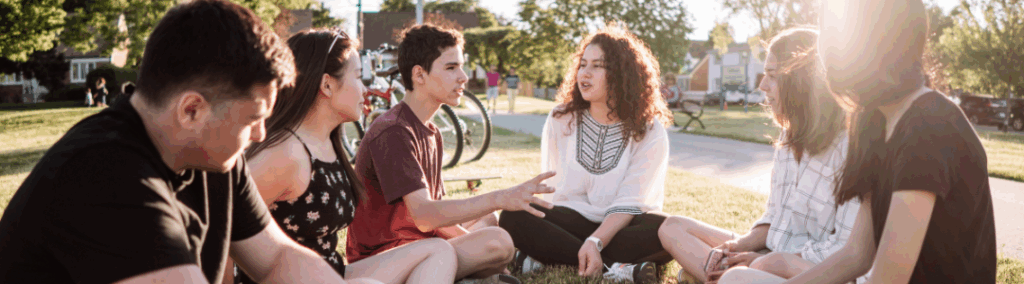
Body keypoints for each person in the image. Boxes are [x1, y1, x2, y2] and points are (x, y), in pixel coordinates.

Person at [0, 1, 382, 283]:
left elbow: (277, 258)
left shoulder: (211, 155)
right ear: (191, 111)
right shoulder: (107, 175)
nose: (260, 135)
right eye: (252, 119)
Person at [719, 0, 997, 283]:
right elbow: (857, 255)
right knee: (739, 278)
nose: (822, 52)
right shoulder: (870, 124)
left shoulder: (927, 127)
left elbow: (890, 278)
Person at [225, 29, 457, 284]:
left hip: (331, 274)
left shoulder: (326, 143)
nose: (366, 89)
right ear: (326, 85)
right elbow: (222, 227)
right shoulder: (287, 154)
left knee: (439, 250)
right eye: (358, 77)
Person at [344, 23, 556, 284]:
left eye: (461, 66)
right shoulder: (393, 131)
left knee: (489, 223)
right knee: (497, 243)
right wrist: (500, 197)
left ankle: (473, 274)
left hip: (423, 244)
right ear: (419, 75)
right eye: (451, 67)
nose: (463, 77)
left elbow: (438, 218)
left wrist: (478, 243)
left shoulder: (432, 132)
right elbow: (425, 216)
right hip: (385, 257)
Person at [657, 28, 860, 284]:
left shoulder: (850, 147)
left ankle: (715, 275)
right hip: (770, 251)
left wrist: (765, 262)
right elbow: (774, 217)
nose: (762, 85)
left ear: (802, 81)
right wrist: (737, 246)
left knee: (737, 277)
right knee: (672, 227)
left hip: (809, 270)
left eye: (772, 76)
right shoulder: (788, 137)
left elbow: (844, 251)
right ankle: (720, 273)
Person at [497, 25, 673, 284]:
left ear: (622, 74)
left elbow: (632, 200)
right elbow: (556, 190)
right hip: (570, 220)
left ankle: (539, 258)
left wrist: (596, 240)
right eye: (582, 64)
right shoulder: (561, 118)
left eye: (597, 66)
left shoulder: (650, 129)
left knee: (667, 231)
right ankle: (619, 269)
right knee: (515, 215)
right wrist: (588, 239)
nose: (584, 74)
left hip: (623, 225)